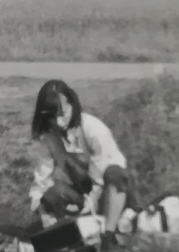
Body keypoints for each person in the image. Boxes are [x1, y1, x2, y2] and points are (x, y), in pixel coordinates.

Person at [27, 79, 133, 242]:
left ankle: (109, 236)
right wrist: (42, 210)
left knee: (114, 175)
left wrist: (90, 206)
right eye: (52, 116)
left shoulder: (94, 130)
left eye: (62, 113)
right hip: (83, 187)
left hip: (110, 187)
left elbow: (99, 180)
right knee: (52, 194)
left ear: (72, 105)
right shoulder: (48, 138)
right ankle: (62, 236)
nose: (59, 121)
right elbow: (41, 181)